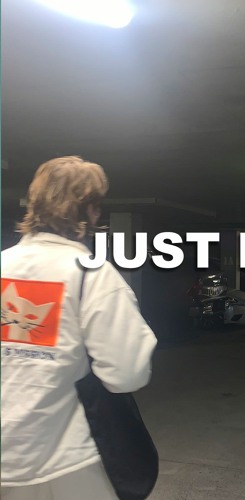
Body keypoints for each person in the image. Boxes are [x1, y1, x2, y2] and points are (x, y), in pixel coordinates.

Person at [1, 156, 158, 499]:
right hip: (68, 461)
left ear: (33, 203)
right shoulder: (92, 274)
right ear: (91, 212)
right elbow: (126, 374)